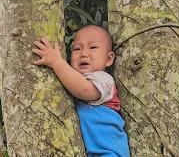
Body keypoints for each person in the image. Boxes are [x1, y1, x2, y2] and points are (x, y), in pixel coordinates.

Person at [32, 25, 130, 157]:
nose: (83, 53)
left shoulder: (104, 79)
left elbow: (83, 89)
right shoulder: (75, 80)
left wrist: (56, 63)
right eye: (77, 49)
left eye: (93, 47)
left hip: (109, 152)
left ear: (109, 59)